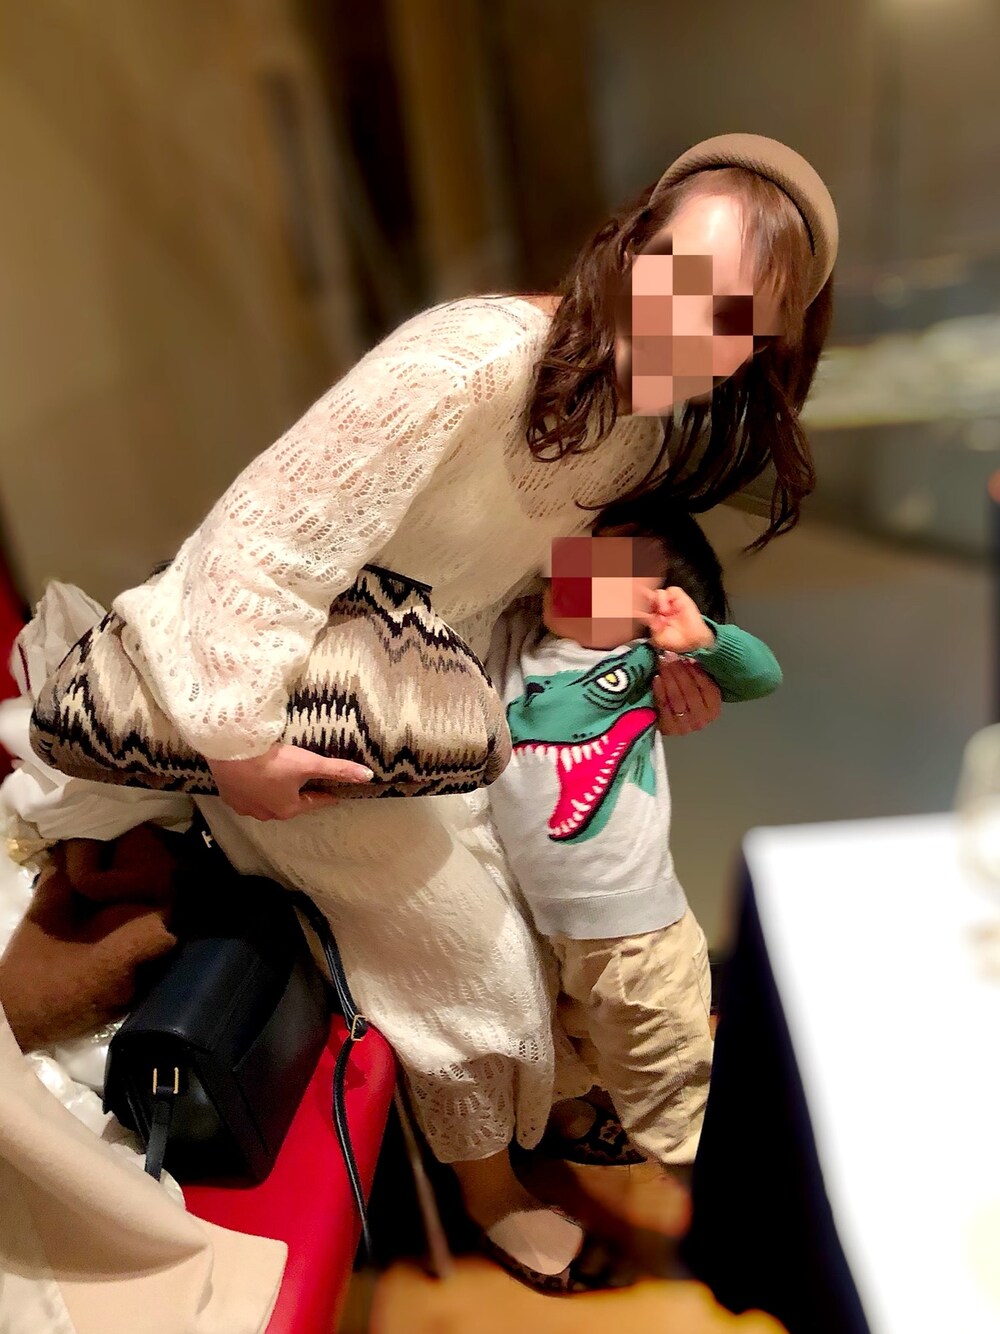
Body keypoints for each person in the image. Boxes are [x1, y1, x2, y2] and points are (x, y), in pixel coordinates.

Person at [111, 134, 838, 1292]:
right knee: (479, 958)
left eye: (736, 316)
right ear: (630, 248)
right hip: (282, 688)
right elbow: (256, 544)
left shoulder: (639, 421)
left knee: (562, 868)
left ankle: (555, 1103)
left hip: (432, 689)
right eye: (676, 274)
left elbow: (530, 583)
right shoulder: (470, 362)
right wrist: (236, 742)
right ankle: (488, 1188)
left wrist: (641, 673)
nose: (688, 324)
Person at [486, 502, 781, 1188]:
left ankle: (729, 1196)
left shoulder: (641, 663)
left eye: (609, 569)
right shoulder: (518, 644)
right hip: (552, 928)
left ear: (656, 609)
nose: (576, 570)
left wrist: (702, 637)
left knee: (675, 1093)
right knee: (590, 1046)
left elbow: (760, 676)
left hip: (638, 938)